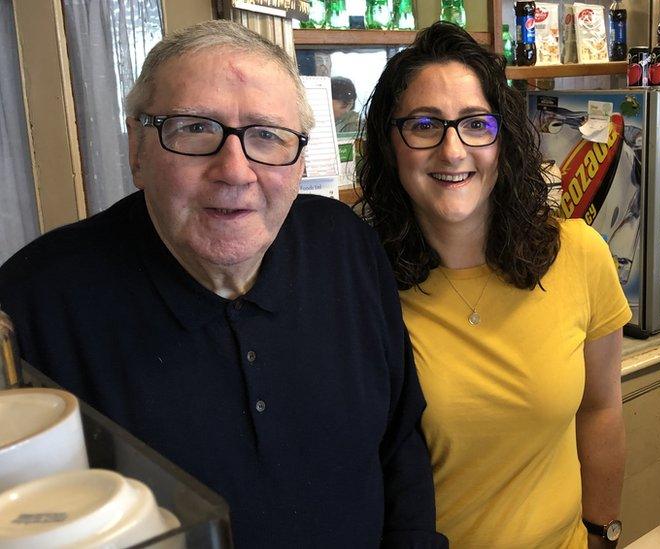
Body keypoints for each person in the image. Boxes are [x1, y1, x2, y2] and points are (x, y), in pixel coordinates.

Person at [0, 20, 445, 548]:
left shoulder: (347, 248)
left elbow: (400, 446)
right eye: (194, 128)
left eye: (266, 136)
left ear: (300, 160)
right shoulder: (33, 303)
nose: (235, 171)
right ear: (137, 151)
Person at [358, 21, 630, 548]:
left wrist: (603, 532)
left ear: (502, 140)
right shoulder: (365, 284)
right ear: (391, 145)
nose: (453, 150)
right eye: (423, 125)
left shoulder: (578, 254)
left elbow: (600, 409)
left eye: (475, 124)